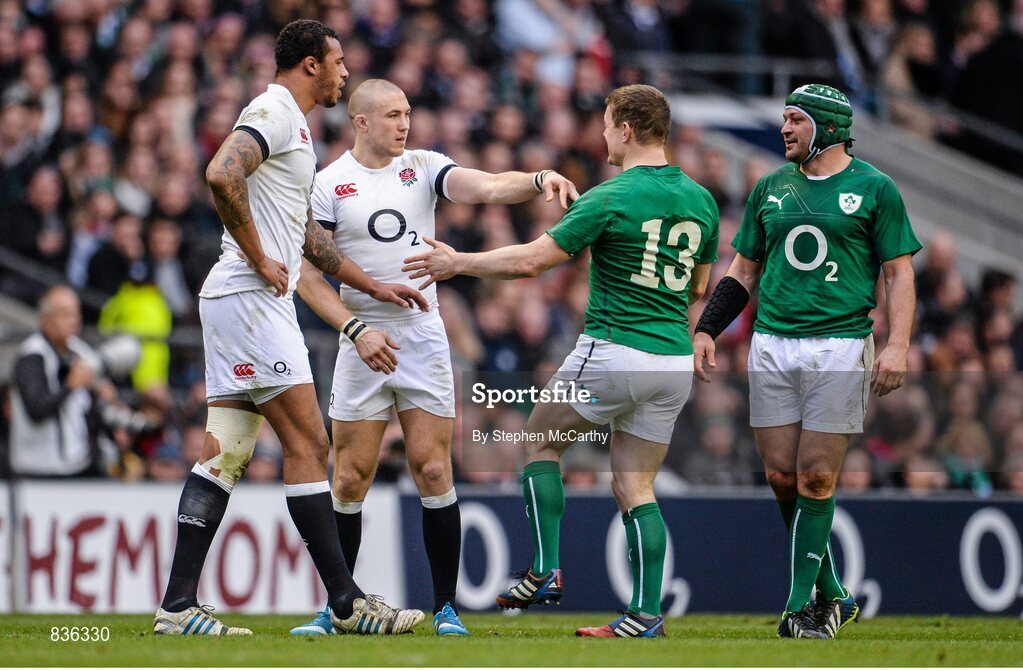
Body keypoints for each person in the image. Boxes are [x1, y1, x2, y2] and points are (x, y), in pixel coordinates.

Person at [404, 84, 720, 638]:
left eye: (605, 123)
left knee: (538, 440)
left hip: (614, 349)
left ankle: (546, 569)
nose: (600, 134)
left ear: (625, 129)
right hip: (671, 359)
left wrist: (458, 262)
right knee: (636, 487)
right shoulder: (703, 200)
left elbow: (531, 262)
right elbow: (698, 289)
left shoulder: (611, 195)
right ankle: (645, 615)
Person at [154, 20, 427, 637]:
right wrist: (256, 253)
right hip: (251, 299)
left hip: (238, 300)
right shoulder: (274, 111)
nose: (345, 74)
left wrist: (372, 285)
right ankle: (347, 603)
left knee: (225, 450)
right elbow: (221, 173)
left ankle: (176, 606)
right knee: (310, 446)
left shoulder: (293, 128)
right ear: (309, 65)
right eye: (337, 64)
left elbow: (308, 238)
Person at [288, 78, 580, 638]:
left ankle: (446, 607)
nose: (405, 124)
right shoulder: (328, 185)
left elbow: (491, 187)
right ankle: (340, 607)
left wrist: (539, 178)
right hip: (362, 340)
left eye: (408, 113)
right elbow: (307, 276)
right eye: (394, 115)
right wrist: (353, 328)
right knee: (349, 478)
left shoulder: (423, 166)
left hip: (421, 336)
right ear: (362, 121)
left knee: (433, 468)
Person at [691, 84, 920, 639]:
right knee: (781, 476)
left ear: (828, 127)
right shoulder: (769, 187)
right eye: (785, 119)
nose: (785, 129)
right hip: (773, 342)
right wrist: (706, 328)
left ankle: (799, 607)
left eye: (795, 119)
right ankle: (836, 593)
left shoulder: (875, 188)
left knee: (817, 476)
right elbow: (743, 271)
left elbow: (899, 273)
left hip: (840, 344)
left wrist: (896, 344)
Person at [9, 285, 109, 477]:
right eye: (65, 314)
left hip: (76, 465)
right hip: (38, 471)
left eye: (76, 314)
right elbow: (37, 409)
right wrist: (70, 385)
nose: (74, 321)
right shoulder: (32, 355)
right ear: (45, 319)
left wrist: (104, 394)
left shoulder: (79, 351)